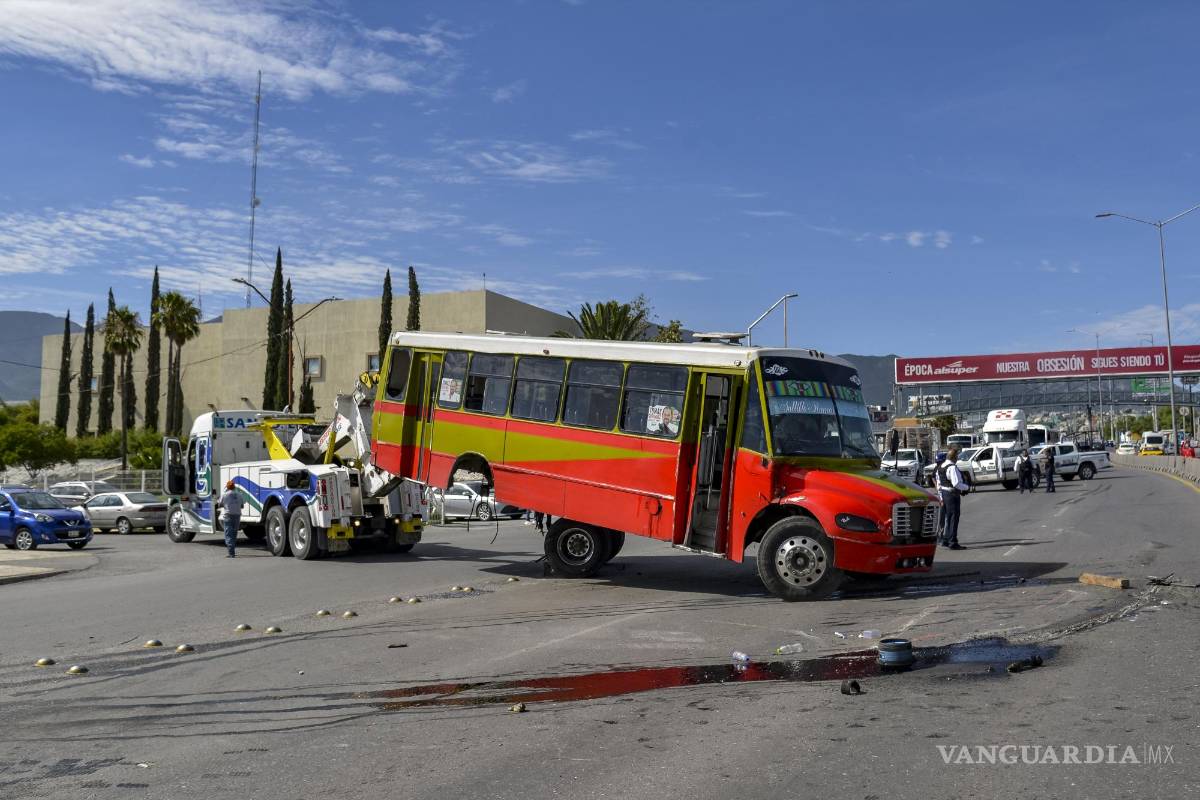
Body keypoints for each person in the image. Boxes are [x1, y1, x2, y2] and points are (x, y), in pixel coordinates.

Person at [936, 447, 969, 550]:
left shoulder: (941, 466)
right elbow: (956, 483)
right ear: (954, 457)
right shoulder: (952, 467)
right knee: (954, 518)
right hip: (952, 494)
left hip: (944, 493)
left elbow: (938, 484)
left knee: (948, 518)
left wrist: (941, 496)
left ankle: (945, 539)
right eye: (957, 456)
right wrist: (967, 487)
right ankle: (952, 541)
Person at [219, 479, 243, 557]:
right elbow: (242, 506)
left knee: (228, 534)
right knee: (234, 533)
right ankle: (232, 550)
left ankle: (231, 553)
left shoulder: (225, 494)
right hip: (237, 515)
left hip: (228, 515)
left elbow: (220, 504)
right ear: (234, 487)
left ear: (227, 487)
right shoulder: (239, 494)